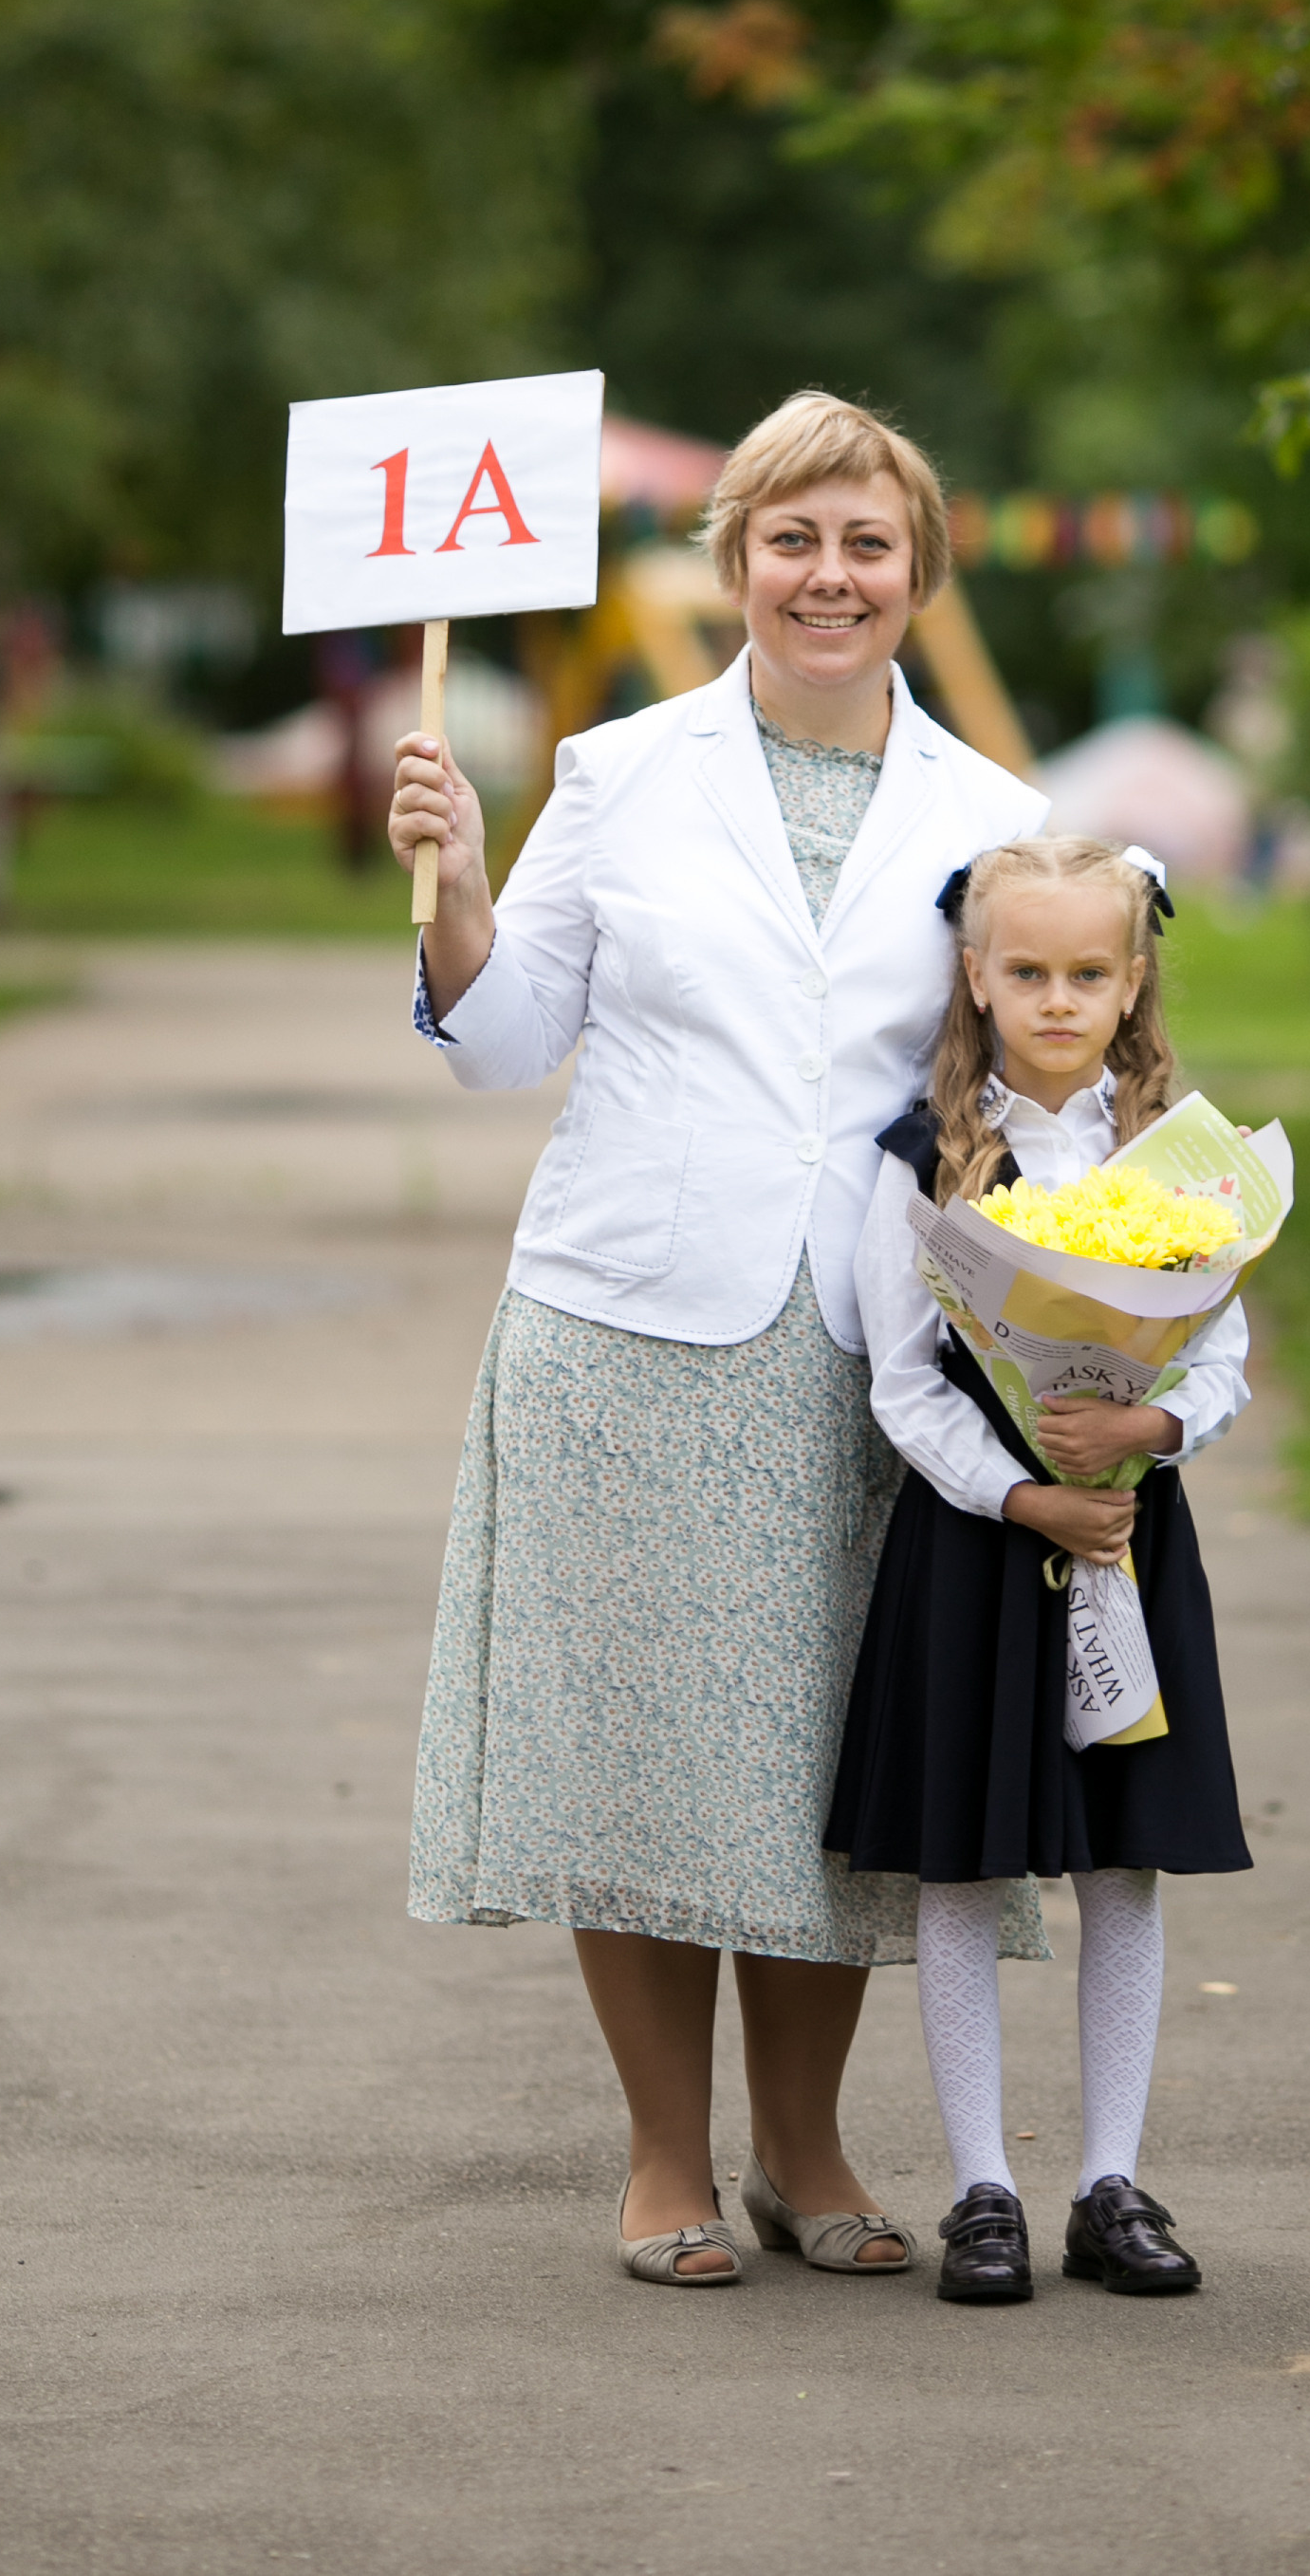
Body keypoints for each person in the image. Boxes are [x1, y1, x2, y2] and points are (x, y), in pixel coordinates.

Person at [387, 392, 1050, 2287]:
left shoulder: (997, 820)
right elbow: (508, 1042)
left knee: (828, 1766)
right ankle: (665, 2158)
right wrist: (449, 888)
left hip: (869, 1355)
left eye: (863, 543)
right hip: (625, 1332)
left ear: (915, 571)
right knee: (642, 1760)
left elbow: (1032, 1082)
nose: (825, 575)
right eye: (789, 540)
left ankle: (812, 2150)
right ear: (733, 561)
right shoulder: (611, 772)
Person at [825, 834, 1255, 2304]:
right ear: (975, 974)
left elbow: (1226, 1355)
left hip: (1129, 1533)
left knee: (1123, 1860)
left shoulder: (1180, 1161)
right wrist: (1021, 1495)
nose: (1057, 999)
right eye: (1027, 971)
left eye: (1088, 972)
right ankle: (983, 2190)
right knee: (967, 1860)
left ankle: (1108, 2182)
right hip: (982, 1546)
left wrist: (1145, 1428)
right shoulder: (922, 1158)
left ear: (1132, 980)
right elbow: (903, 1382)